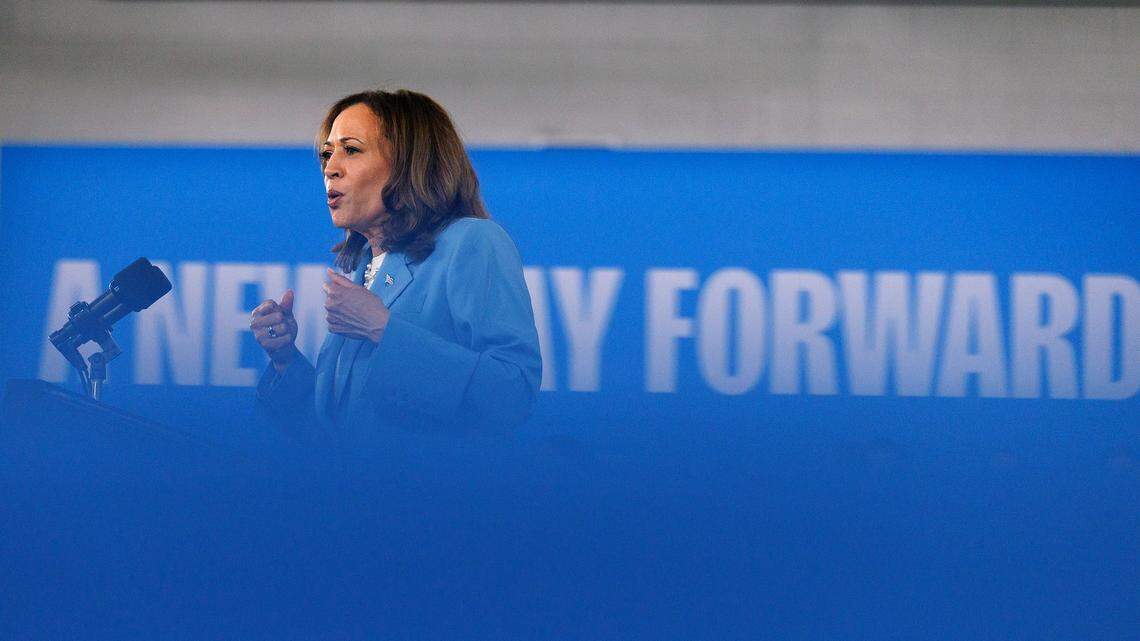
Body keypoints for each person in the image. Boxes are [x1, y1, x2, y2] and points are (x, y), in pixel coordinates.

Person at [250, 89, 541, 436]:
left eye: (352, 150)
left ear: (408, 163)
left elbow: (512, 395)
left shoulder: (472, 243)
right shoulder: (365, 269)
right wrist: (285, 360)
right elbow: (339, 433)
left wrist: (383, 329)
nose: (330, 168)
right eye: (327, 154)